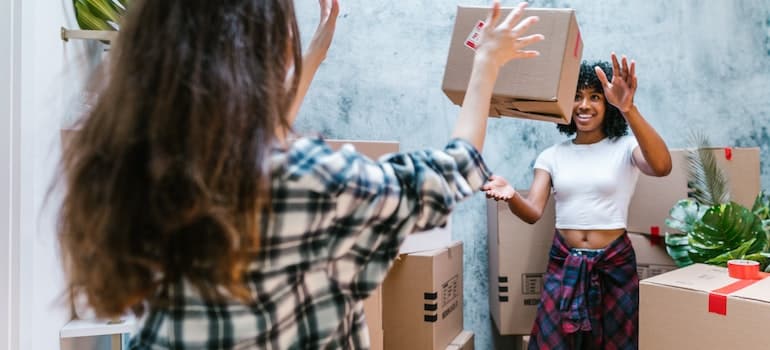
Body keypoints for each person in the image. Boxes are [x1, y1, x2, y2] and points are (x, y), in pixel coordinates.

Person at [56, 0, 543, 348]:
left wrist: (313, 60)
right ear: (264, 51)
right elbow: (452, 170)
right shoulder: (315, 183)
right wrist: (485, 65)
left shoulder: (136, 170)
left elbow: (253, 147)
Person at [483, 54, 672, 349]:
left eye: (595, 96)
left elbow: (662, 167)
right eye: (576, 96)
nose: (584, 105)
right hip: (564, 265)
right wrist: (511, 195)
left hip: (614, 267)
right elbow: (533, 211)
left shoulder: (625, 147)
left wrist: (628, 108)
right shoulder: (552, 155)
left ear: (607, 104)